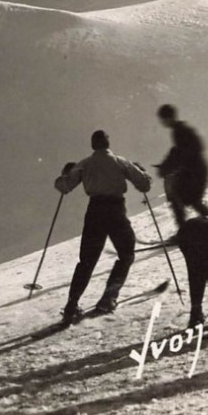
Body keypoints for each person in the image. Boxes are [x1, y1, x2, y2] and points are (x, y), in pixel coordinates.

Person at [55, 129, 152, 325]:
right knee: (126, 254)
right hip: (115, 210)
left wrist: (65, 174)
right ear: (107, 143)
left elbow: (64, 187)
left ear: (93, 145)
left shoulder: (84, 164)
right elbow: (144, 185)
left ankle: (71, 305)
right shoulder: (120, 161)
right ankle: (108, 298)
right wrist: (143, 172)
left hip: (95, 211)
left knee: (87, 260)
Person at [155, 104, 208, 227]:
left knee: (180, 198)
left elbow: (181, 153)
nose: (162, 122)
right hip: (196, 169)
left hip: (195, 171)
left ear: (168, 118)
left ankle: (185, 231)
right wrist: (166, 165)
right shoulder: (181, 130)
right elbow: (178, 151)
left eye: (162, 119)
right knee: (189, 199)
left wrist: (166, 167)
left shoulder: (180, 131)